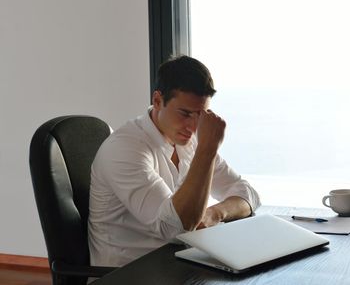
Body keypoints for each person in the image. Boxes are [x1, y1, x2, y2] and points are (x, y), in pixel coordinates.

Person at [88, 56, 260, 267]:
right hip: (129, 273)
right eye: (185, 113)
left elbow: (247, 194)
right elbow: (175, 228)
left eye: (200, 115)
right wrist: (207, 149)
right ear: (157, 101)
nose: (193, 126)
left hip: (177, 263)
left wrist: (213, 214)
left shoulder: (189, 141)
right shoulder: (125, 149)